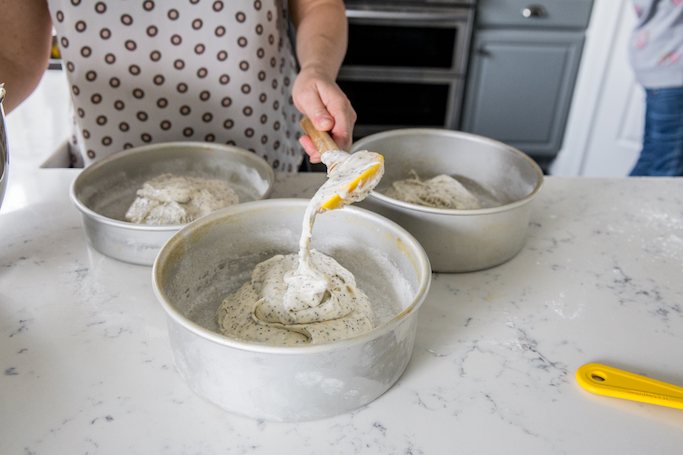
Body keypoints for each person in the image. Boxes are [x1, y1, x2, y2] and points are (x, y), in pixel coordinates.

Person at [0, 0, 355, 171]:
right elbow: (13, 56)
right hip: (109, 169)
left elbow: (317, 5)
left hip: (265, 160)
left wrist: (316, 68)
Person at [629, 0, 683, 176]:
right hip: (674, 69)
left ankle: (617, 203)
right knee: (670, 170)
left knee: (651, 156)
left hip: (655, 59)